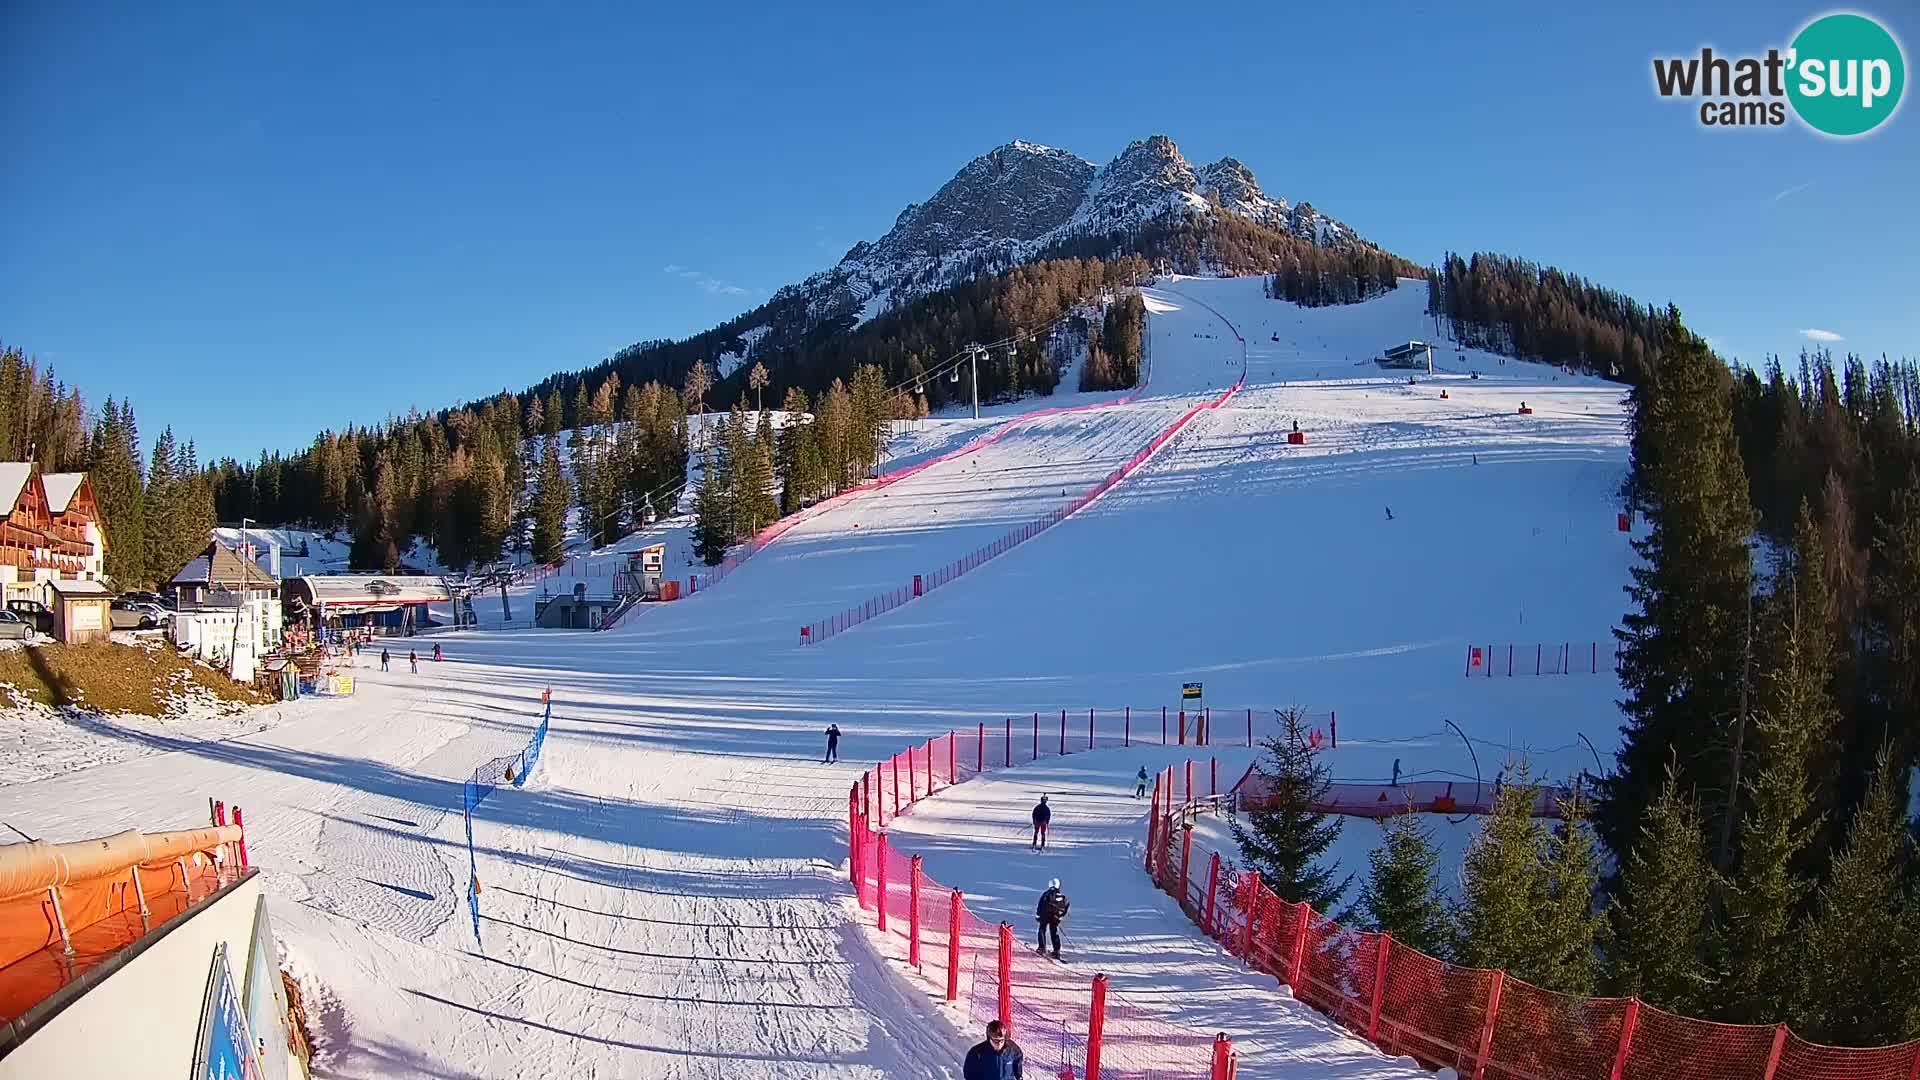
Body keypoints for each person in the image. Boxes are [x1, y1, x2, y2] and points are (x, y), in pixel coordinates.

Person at [1036, 878, 1069, 959]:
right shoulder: (1061, 896)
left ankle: (1042, 948)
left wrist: (1038, 915)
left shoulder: (1046, 894)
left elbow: (1041, 905)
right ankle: (1056, 950)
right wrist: (1060, 916)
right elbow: (1066, 906)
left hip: (1045, 915)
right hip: (1055, 917)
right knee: (1054, 932)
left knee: (1042, 929)